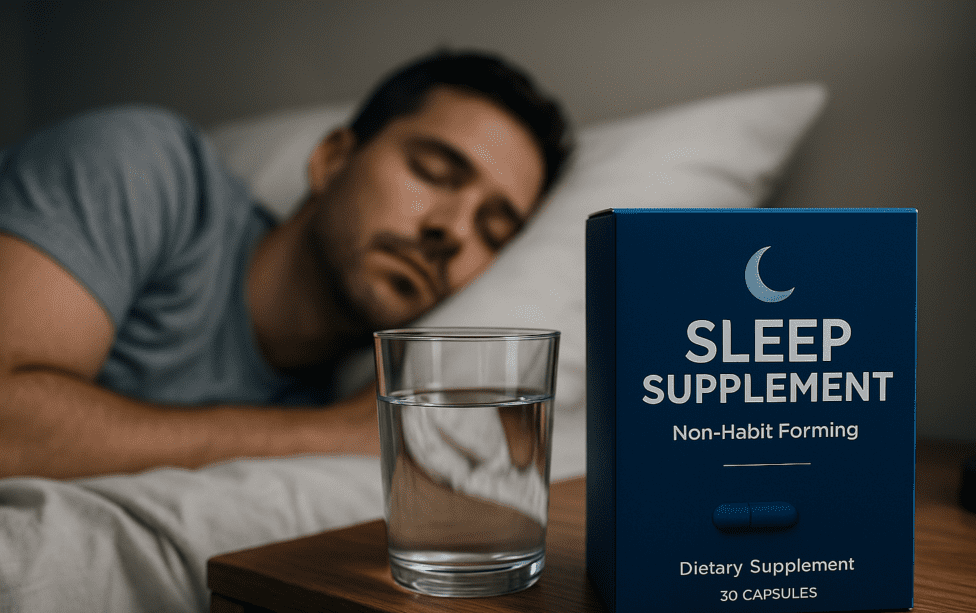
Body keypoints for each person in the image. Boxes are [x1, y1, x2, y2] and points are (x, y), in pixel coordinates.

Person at [0, 50, 572, 479]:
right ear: (331, 160)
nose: (451, 231)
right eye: (433, 171)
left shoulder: (344, 386)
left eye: (492, 230)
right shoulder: (146, 168)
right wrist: (329, 434)